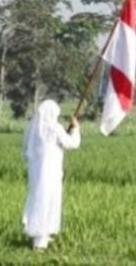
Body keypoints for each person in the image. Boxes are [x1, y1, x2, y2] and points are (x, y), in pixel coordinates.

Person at [22, 100, 81, 251]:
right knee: (48, 202)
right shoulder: (55, 128)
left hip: (36, 174)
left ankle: (41, 235)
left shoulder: (33, 129)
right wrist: (75, 128)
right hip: (52, 173)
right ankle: (41, 241)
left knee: (38, 200)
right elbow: (72, 143)